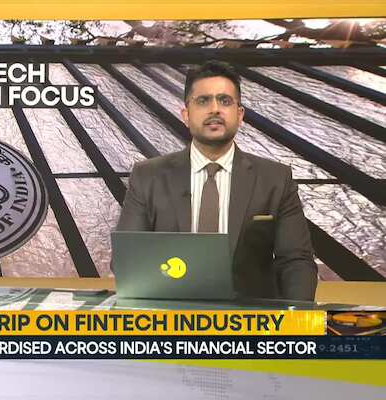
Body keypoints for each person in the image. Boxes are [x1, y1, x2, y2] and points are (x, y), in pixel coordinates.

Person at [116, 60, 317, 301]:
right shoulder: (148, 177)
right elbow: (127, 260)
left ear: (240, 115)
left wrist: (295, 318)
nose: (215, 109)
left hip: (248, 319)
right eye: (203, 101)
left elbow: (296, 262)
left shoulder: (275, 179)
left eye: (225, 101)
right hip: (172, 317)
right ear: (186, 115)